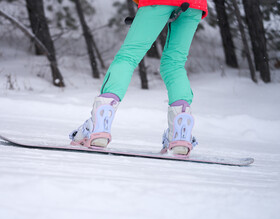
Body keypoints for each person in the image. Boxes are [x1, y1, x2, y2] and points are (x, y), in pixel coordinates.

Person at [69, 0, 208, 156]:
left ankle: (99, 127)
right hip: (195, 5)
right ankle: (180, 135)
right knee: (174, 64)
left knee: (128, 56)